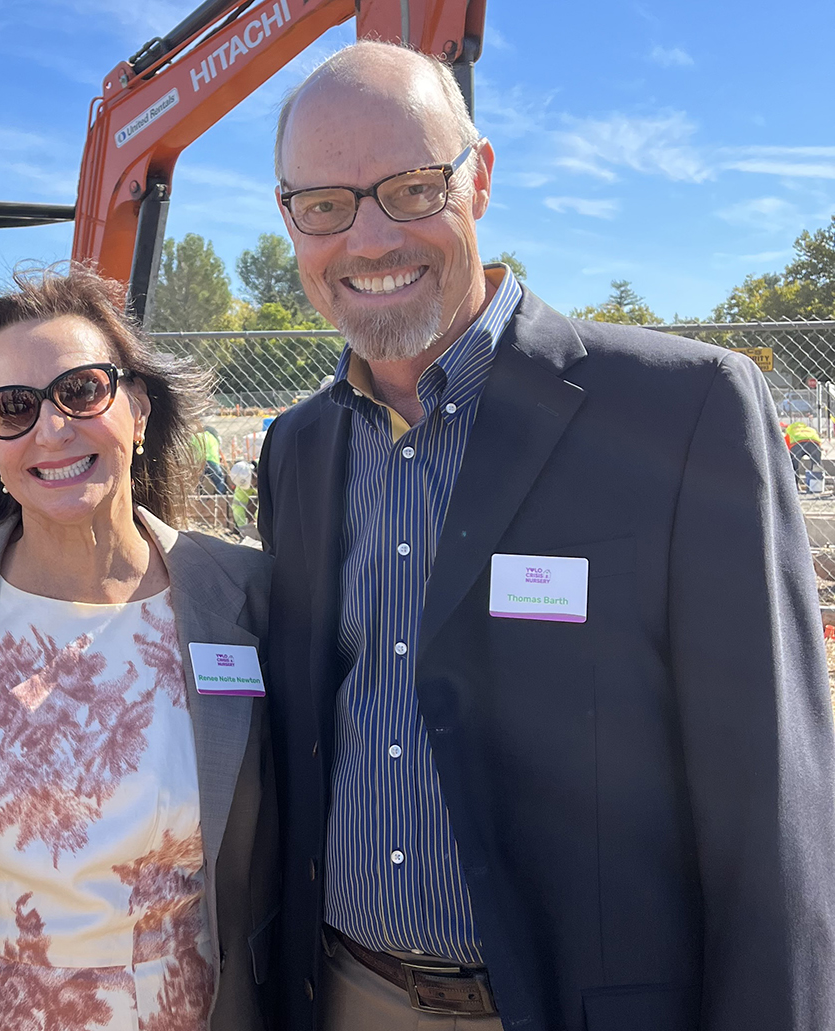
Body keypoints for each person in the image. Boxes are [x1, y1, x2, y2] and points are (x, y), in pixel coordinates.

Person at [258, 40, 835, 1031]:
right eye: (325, 205)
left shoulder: (680, 413)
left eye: (408, 187)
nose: (368, 238)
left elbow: (772, 803)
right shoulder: (297, 449)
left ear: (478, 178)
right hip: (347, 994)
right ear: (290, 219)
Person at [0, 268, 277, 1031]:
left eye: (81, 391)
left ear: (138, 407)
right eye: (12, 408)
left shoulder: (245, 595)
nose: (51, 429)